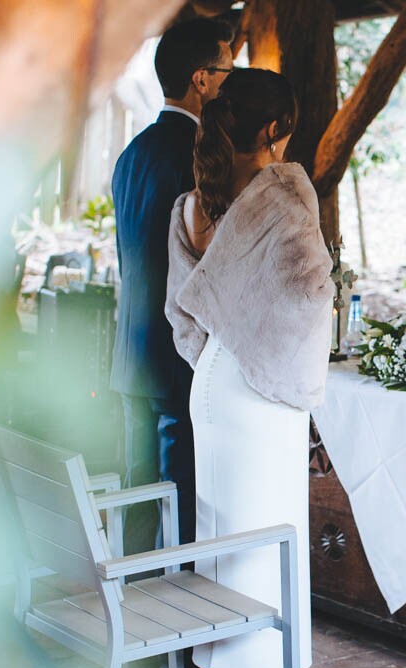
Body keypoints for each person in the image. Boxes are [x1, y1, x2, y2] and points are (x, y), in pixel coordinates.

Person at [165, 69, 332, 668]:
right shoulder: (285, 192)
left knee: (227, 532)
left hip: (215, 376)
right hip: (262, 384)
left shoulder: (196, 200)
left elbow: (195, 290)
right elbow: (310, 288)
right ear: (272, 130)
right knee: (267, 536)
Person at [109, 18, 234, 559]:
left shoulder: (131, 153)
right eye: (227, 71)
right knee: (182, 499)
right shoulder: (198, 158)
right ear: (202, 78)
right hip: (174, 353)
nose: (231, 83)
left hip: (129, 353)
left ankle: (129, 616)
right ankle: (177, 635)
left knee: (137, 498)